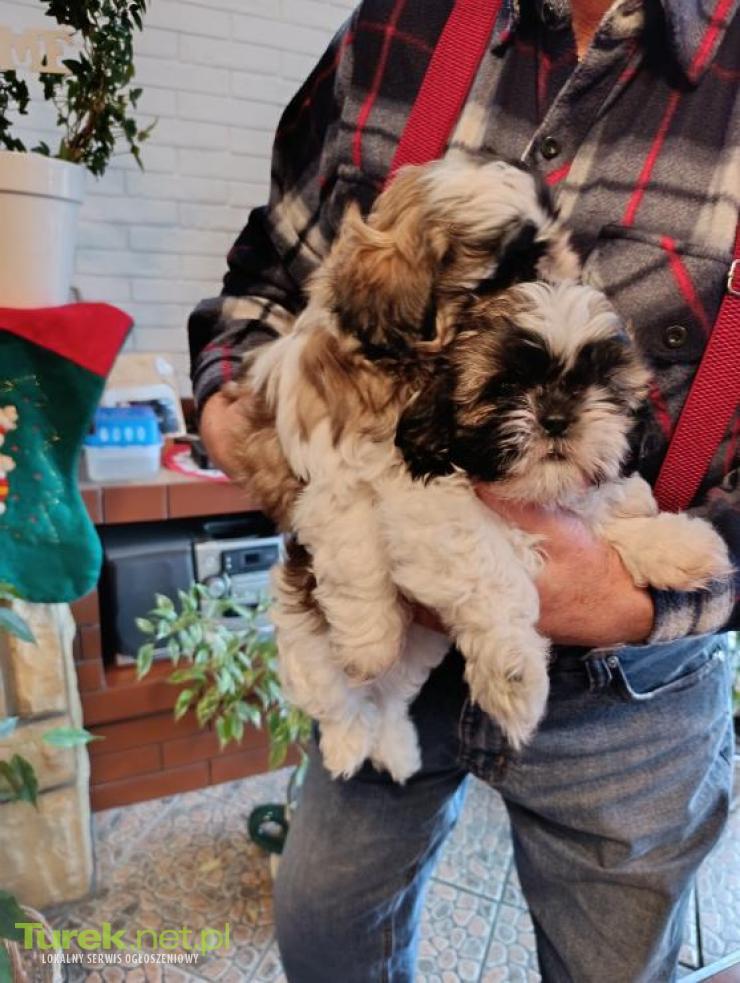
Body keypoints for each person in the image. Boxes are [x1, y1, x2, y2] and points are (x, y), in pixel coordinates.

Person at [189, 0, 739, 978]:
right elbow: (269, 267)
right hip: (385, 641)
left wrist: (627, 595)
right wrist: (238, 404)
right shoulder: (398, 24)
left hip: (632, 681)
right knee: (323, 935)